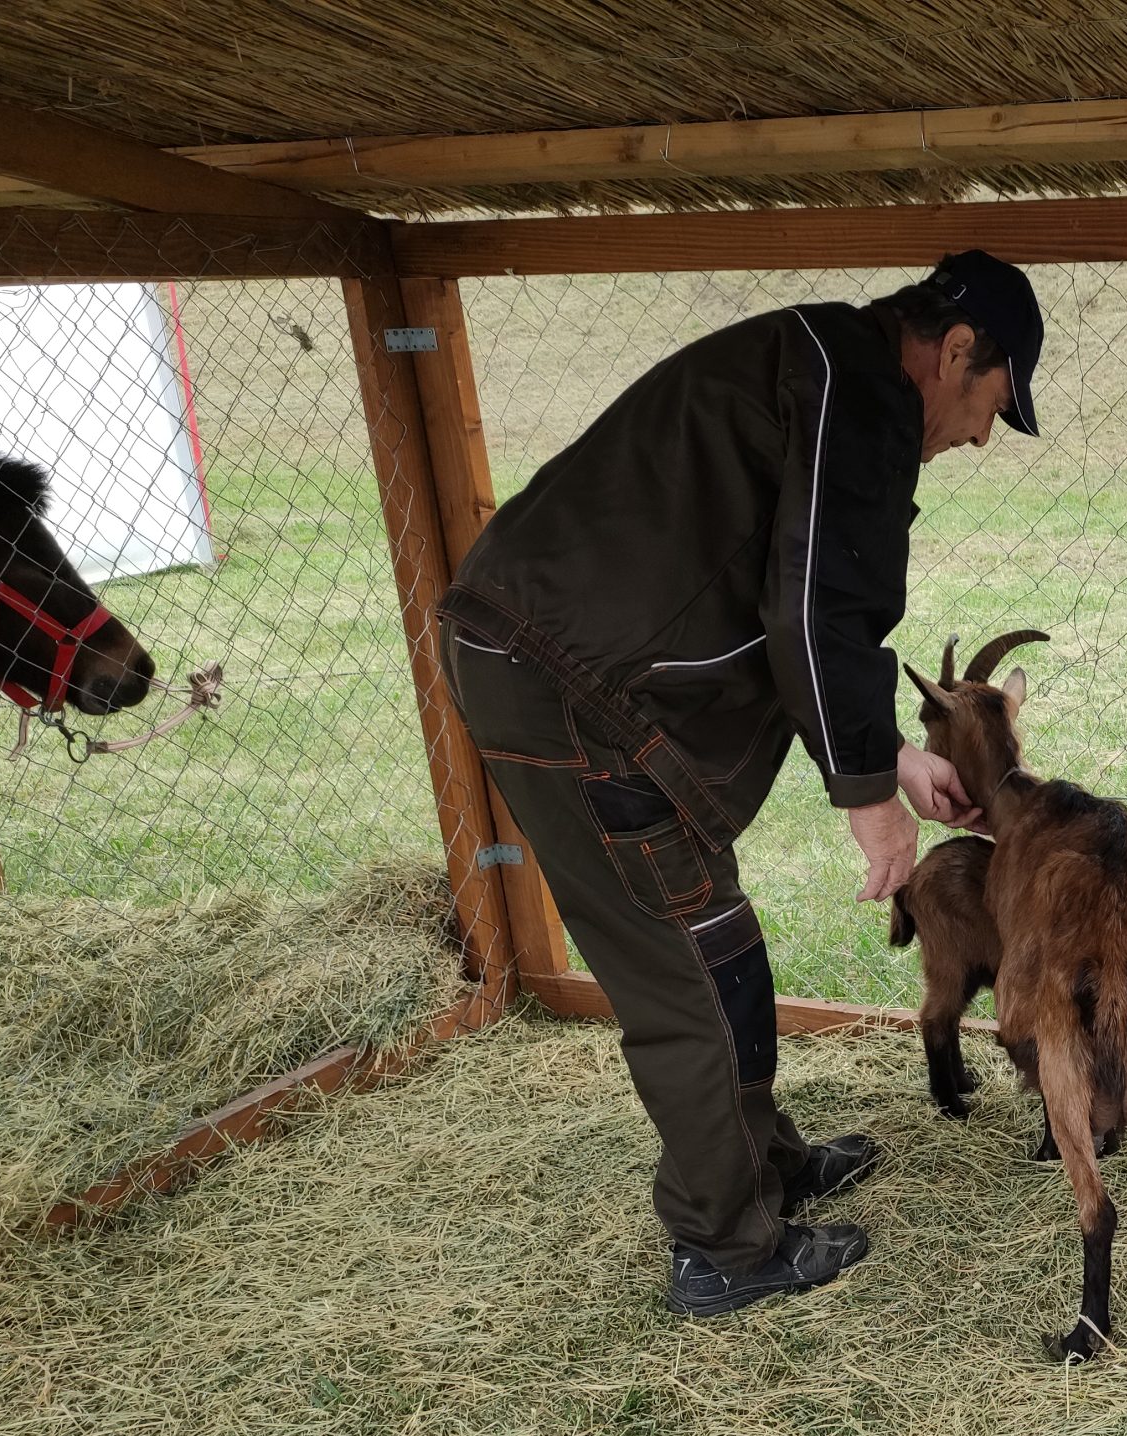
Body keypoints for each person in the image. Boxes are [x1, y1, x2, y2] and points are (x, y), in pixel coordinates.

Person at [438, 251, 1044, 1318]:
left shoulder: (824, 368)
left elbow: (795, 596)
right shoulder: (856, 395)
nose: (982, 433)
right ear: (955, 351)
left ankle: (763, 1169)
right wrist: (875, 813)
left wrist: (891, 758)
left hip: (590, 680)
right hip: (570, 690)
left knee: (717, 942)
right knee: (684, 976)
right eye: (992, 402)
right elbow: (816, 610)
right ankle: (722, 1243)